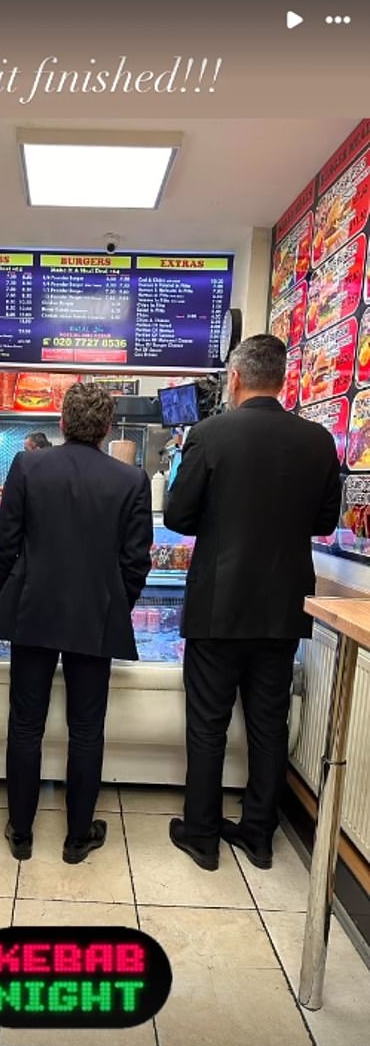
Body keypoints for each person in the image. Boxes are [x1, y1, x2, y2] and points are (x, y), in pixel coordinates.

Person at [164, 334, 342, 872]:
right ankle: (260, 836)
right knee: (270, 723)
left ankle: (201, 835)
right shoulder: (318, 441)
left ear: (235, 379)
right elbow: (326, 523)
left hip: (218, 608)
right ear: (283, 379)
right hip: (283, 608)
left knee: (207, 723)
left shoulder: (210, 434)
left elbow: (176, 518)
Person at [0, 383, 153, 863]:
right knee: (86, 729)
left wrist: (13, 596)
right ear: (107, 428)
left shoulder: (28, 466)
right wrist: (112, 602)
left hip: (33, 611)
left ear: (61, 421)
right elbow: (136, 561)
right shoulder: (131, 480)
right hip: (94, 618)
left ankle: (21, 833)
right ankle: (79, 837)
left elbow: (5, 543)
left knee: (25, 723)